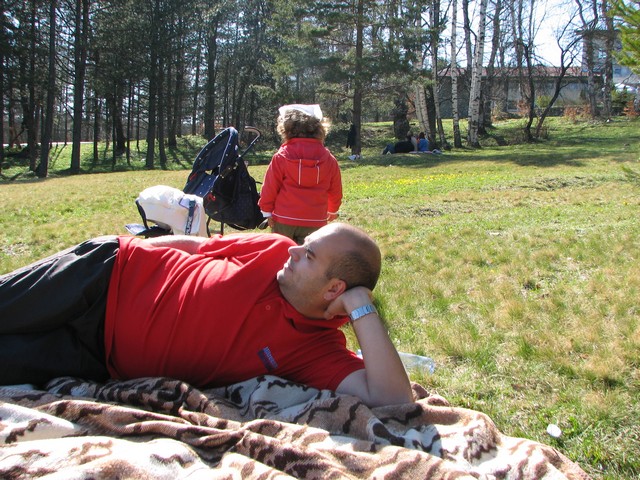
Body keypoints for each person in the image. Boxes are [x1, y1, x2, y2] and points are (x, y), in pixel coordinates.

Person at [0, 223, 413, 407]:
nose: (292, 249)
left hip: (95, 357)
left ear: (334, 290)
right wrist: (127, 245)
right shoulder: (272, 248)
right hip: (104, 276)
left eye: (308, 255)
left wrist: (361, 307)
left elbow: (392, 398)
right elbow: (198, 247)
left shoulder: (315, 350)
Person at [259, 104, 342, 245]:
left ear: (286, 130)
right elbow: (335, 190)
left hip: (284, 218)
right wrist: (333, 210)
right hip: (315, 220)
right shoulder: (329, 159)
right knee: (309, 256)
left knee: (281, 254)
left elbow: (270, 187)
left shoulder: (281, 156)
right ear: (319, 129)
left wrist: (266, 211)